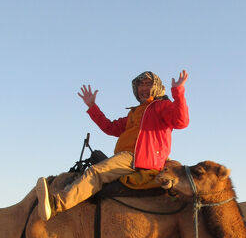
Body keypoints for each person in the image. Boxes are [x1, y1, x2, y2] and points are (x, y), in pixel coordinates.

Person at [36, 69, 189, 220]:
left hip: (137, 157)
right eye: (140, 85)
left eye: (148, 84)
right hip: (127, 156)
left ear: (156, 86)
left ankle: (56, 204)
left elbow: (181, 121)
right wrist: (92, 107)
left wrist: (178, 91)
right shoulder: (134, 112)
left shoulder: (162, 106)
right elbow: (110, 127)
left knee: (96, 173)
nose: (143, 88)